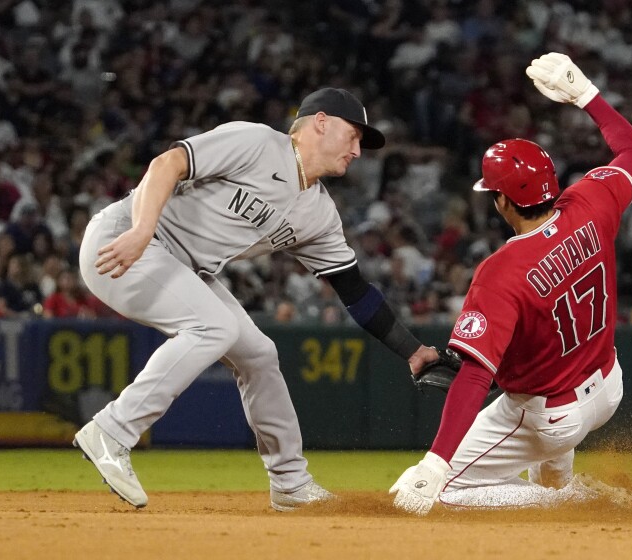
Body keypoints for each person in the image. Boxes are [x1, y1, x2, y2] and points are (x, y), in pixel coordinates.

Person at [73, 87, 439, 510]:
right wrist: (139, 230)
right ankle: (112, 431)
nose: (358, 150)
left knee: (259, 354)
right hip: (124, 241)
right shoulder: (259, 143)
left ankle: (290, 482)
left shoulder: (318, 214)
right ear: (321, 122)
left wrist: (412, 350)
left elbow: (356, 292)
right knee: (215, 327)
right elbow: (168, 162)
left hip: (182, 266)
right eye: (353, 135)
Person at [390, 53, 632, 515]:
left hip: (550, 414)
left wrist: (436, 463)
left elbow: (475, 375)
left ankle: (573, 502)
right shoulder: (592, 201)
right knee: (544, 456)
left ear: (505, 203)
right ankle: (562, 502)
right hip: (607, 385)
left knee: (436, 493)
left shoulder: (501, 270)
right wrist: (588, 96)